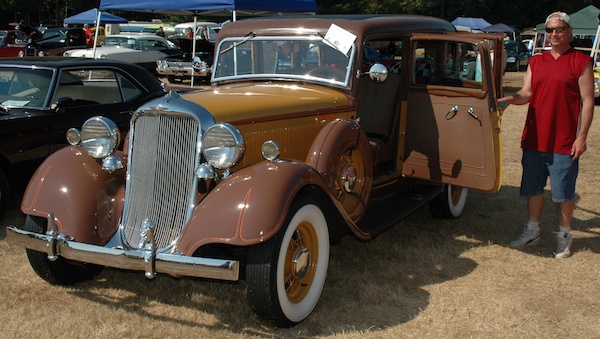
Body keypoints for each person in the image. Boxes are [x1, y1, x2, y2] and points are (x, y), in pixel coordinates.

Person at [498, 11, 594, 258]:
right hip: (535, 138)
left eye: (559, 29)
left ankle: (564, 236)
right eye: (550, 30)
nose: (554, 34)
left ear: (569, 31)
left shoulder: (581, 61)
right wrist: (510, 99)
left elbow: (587, 101)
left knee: (563, 192)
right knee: (533, 187)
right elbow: (527, 92)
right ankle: (532, 230)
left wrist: (581, 137)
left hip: (564, 141)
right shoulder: (535, 61)